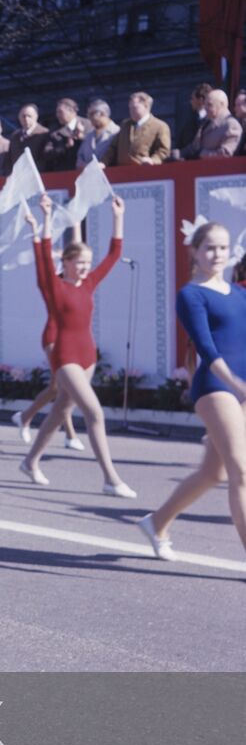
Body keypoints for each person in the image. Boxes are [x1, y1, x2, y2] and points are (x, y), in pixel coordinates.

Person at [138, 222, 246, 558]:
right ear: (195, 252)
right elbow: (207, 349)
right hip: (216, 385)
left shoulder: (240, 292)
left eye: (224, 248)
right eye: (210, 248)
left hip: (241, 387)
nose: (217, 255)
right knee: (240, 470)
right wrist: (237, 385)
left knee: (211, 473)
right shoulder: (190, 294)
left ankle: (157, 523)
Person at [20, 193, 135, 496]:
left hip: (88, 356)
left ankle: (30, 462)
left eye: (87, 262)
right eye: (79, 262)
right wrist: (44, 219)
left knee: (60, 412)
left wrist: (118, 217)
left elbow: (113, 254)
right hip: (66, 356)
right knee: (94, 413)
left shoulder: (90, 283)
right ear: (66, 262)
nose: (85, 268)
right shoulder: (53, 286)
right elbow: (44, 257)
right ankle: (111, 478)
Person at [10, 204, 83, 451]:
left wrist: (75, 222)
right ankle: (70, 434)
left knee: (57, 388)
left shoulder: (77, 282)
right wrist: (40, 223)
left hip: (68, 338)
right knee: (64, 387)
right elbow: (43, 257)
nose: (79, 264)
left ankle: (25, 417)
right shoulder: (55, 282)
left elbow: (78, 247)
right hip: (53, 336)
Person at [173, 89, 243, 160]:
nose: (205, 108)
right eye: (205, 104)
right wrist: (180, 153)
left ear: (222, 104)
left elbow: (225, 154)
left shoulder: (232, 125)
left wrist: (201, 153)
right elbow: (194, 146)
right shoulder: (206, 122)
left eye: (209, 105)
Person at [104, 92, 171, 165]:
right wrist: (103, 163)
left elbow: (163, 150)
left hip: (145, 171)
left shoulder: (160, 126)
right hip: (123, 171)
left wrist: (153, 160)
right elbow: (113, 148)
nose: (131, 110)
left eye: (134, 108)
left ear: (146, 106)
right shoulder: (125, 125)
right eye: (130, 107)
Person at [43, 98, 92, 173]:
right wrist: (65, 147)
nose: (57, 115)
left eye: (60, 112)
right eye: (57, 112)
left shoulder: (88, 125)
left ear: (72, 111)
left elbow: (97, 146)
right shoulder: (54, 130)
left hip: (86, 170)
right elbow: (47, 154)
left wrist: (82, 137)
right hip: (64, 173)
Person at [76, 100, 119, 168]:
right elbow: (80, 157)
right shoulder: (89, 136)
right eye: (88, 114)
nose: (89, 118)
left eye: (91, 114)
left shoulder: (116, 132)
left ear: (103, 114)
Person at [8, 104, 49, 169]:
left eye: (29, 116)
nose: (26, 119)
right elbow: (9, 159)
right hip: (18, 175)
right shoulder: (14, 136)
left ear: (36, 116)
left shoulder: (45, 133)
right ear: (19, 117)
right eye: (23, 116)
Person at [174, 83, 212, 151]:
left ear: (200, 100)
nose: (190, 102)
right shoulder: (190, 120)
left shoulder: (213, 119)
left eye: (192, 98)